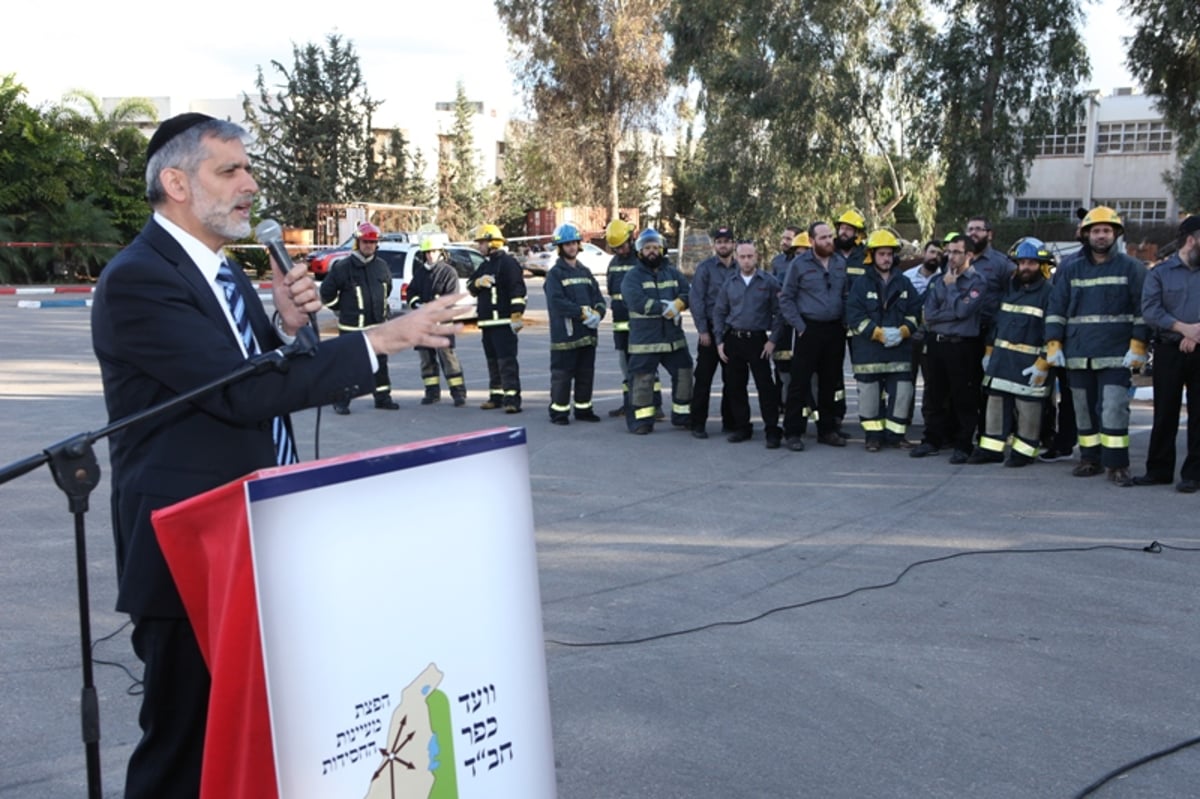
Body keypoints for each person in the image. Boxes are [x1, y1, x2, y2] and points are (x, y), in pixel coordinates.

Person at [90, 113, 464, 799]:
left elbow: (244, 373)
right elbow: (235, 395)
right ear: (175, 182)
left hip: (255, 535)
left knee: (255, 736)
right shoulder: (140, 279)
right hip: (191, 550)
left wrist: (282, 327)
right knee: (183, 748)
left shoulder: (223, 273)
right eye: (229, 171)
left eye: (247, 169)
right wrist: (379, 340)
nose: (250, 185)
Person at [1045, 205, 1148, 486]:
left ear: (1115, 234)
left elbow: (1143, 310)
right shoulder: (1070, 269)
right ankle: (1090, 458)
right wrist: (1053, 343)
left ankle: (1116, 464)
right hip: (1078, 354)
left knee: (1114, 407)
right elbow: (1056, 308)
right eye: (1096, 231)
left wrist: (1138, 345)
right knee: (1083, 409)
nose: (1101, 236)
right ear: (1086, 234)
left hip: (1116, 354)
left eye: (1106, 230)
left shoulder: (1133, 268)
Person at [965, 239, 1056, 467]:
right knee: (995, 406)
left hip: (1030, 363)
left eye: (1032, 263)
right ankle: (991, 449)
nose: (1025, 267)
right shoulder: (1010, 289)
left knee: (1028, 409)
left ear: (1042, 265)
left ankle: (1024, 452)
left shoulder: (1050, 294)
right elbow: (997, 324)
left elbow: (1053, 331)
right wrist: (988, 351)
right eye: (1022, 262)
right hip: (1001, 360)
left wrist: (1044, 363)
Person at [1134, 214, 1200, 491]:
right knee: (1165, 412)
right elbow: (1151, 310)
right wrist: (1184, 329)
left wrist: (1196, 334)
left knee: (1199, 414)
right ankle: (1159, 470)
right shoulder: (1159, 272)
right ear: (1191, 239)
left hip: (1199, 349)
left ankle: (1194, 474)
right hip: (1168, 349)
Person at [910, 234, 987, 463]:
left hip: (962, 346)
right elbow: (930, 315)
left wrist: (952, 290)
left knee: (963, 397)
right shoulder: (938, 279)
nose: (950, 256)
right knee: (934, 395)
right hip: (936, 342)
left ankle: (963, 444)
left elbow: (965, 312)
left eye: (956, 252)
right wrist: (952, 309)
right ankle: (931, 440)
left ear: (969, 255)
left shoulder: (977, 281)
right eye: (949, 252)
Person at [844, 229, 922, 451]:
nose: (886, 258)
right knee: (869, 395)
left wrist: (904, 331)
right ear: (872, 255)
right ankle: (873, 436)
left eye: (889, 254)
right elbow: (854, 315)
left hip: (900, 349)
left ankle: (896, 435)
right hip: (869, 350)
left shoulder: (904, 283)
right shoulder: (861, 284)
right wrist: (876, 333)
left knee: (902, 393)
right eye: (882, 254)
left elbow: (916, 312)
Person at [780, 221, 848, 451]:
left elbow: (846, 295)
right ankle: (793, 432)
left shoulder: (840, 263)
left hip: (835, 330)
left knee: (829, 383)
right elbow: (786, 298)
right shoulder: (799, 264)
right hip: (809, 330)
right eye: (823, 238)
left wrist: (845, 322)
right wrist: (800, 326)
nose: (829, 241)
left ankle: (826, 430)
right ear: (811, 242)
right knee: (799, 384)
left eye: (830, 236)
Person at [319, 222, 399, 414]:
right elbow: (326, 293)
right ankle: (341, 401)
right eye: (365, 242)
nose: (368, 246)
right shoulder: (343, 267)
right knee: (348, 366)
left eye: (372, 242)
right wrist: (341, 309)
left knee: (380, 364)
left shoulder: (381, 267)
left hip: (377, 326)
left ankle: (382, 398)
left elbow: (386, 290)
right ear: (357, 243)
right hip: (352, 328)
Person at [621, 228, 693, 434]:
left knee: (685, 372)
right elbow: (635, 301)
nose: (652, 251)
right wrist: (664, 308)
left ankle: (683, 415)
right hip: (645, 340)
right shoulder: (632, 277)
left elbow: (687, 291)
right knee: (642, 380)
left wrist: (679, 303)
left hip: (673, 339)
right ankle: (641, 421)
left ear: (662, 249)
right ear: (640, 251)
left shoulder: (672, 273)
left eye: (655, 247)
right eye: (647, 248)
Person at [713, 241, 782, 447]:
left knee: (765, 387)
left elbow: (780, 313)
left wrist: (772, 340)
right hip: (734, 339)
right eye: (742, 257)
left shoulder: (769, 282)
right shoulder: (730, 282)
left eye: (750, 256)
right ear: (737, 257)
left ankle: (772, 429)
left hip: (758, 341)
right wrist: (719, 341)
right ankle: (742, 427)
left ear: (756, 257)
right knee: (735, 386)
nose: (746, 260)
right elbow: (719, 311)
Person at [544, 223, 606, 424]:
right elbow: (556, 301)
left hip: (587, 335)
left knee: (585, 375)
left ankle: (583, 409)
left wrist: (598, 312)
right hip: (566, 336)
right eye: (567, 244)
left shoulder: (584, 271)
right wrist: (581, 312)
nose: (571, 247)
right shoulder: (555, 274)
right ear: (560, 248)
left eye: (573, 243)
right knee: (562, 377)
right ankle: (559, 412)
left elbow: (598, 297)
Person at [604, 218, 661, 419]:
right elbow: (612, 291)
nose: (620, 250)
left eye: (623, 246)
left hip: (642, 326)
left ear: (631, 239)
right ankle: (629, 404)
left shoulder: (641, 262)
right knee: (626, 368)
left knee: (647, 368)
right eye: (616, 248)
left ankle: (655, 405)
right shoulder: (613, 263)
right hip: (621, 327)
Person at [468, 223, 527, 413]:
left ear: (492, 242)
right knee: (492, 361)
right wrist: (477, 282)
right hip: (487, 324)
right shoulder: (485, 265)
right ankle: (496, 396)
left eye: (482, 242)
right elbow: (471, 286)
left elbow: (517, 289)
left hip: (503, 323)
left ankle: (512, 400)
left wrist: (517, 313)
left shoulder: (508, 264)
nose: (479, 246)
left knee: (507, 362)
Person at [407, 232, 467, 406]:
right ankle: (431, 393)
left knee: (449, 360)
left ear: (440, 252)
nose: (430, 255)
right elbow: (411, 293)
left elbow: (451, 298)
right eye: (427, 252)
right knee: (427, 361)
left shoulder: (449, 272)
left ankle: (458, 394)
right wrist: (416, 303)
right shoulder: (420, 273)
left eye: (433, 251)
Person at [689, 225, 737, 438]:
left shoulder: (740, 268)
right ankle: (698, 424)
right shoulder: (705, 268)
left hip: (732, 330)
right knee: (703, 378)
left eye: (726, 241)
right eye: (719, 241)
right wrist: (702, 330)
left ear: (733, 244)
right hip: (709, 330)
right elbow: (696, 299)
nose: (723, 245)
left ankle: (731, 422)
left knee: (733, 379)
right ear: (714, 245)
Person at [772, 228, 810, 413]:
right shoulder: (779, 264)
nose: (799, 257)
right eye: (797, 253)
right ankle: (783, 403)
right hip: (785, 325)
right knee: (782, 367)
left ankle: (810, 408)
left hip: (807, 326)